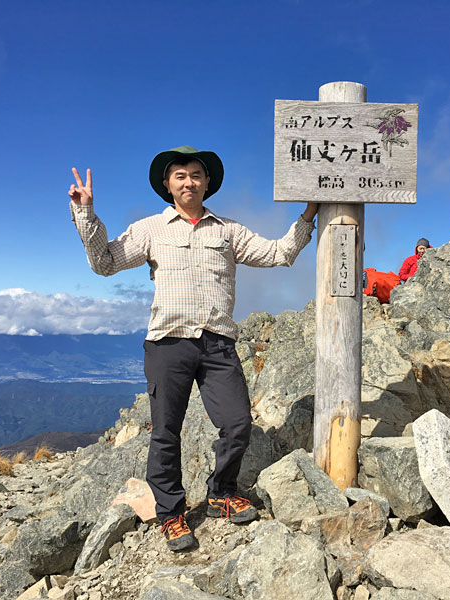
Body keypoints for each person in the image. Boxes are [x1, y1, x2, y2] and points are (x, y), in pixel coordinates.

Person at [68, 146, 317, 551]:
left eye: (196, 174)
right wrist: (86, 214)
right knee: (166, 432)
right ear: (167, 185)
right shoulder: (151, 228)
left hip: (218, 342)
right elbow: (105, 262)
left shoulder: (228, 231)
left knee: (237, 424)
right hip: (168, 344)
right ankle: (171, 514)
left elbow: (279, 254)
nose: (189, 181)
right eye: (180, 175)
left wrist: (308, 215)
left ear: (207, 183)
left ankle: (221, 492)